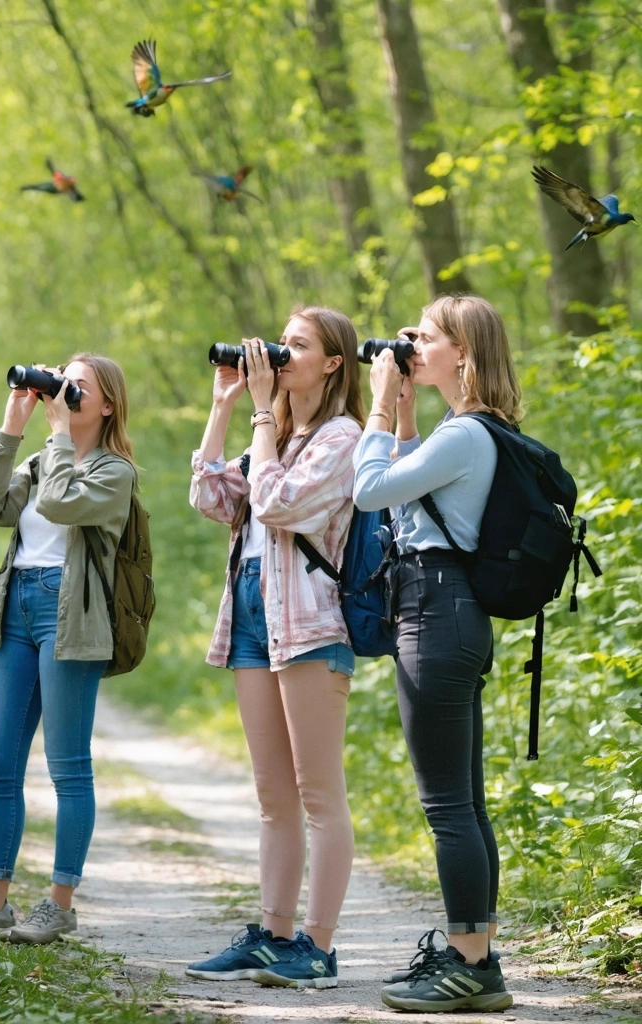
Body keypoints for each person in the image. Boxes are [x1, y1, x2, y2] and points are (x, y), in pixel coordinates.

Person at [186, 306, 365, 989]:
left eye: (297, 346)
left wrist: (264, 417)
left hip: (313, 626)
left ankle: (317, 947)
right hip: (255, 619)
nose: (281, 354)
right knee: (273, 794)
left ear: (332, 363)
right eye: (280, 343)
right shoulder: (278, 434)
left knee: (319, 794)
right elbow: (210, 497)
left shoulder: (341, 437)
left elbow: (279, 505)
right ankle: (273, 933)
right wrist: (226, 406)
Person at [352, 294, 520, 1013]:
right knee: (466, 803)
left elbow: (367, 493)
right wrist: (409, 418)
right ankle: (472, 953)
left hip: (436, 615)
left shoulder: (466, 436)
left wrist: (379, 409)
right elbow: (408, 506)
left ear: (465, 354)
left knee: (448, 804)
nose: (410, 344)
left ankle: (470, 964)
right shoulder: (467, 433)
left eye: (426, 336)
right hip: (452, 613)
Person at [0, 354, 135, 947]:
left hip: (70, 617)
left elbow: (60, 505)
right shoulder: (40, 455)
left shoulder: (114, 471)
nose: (65, 394)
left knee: (67, 767)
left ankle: (59, 903)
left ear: (106, 405)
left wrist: (56, 437)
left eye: (79, 388)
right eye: (61, 382)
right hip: (18, 607)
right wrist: (12, 427)